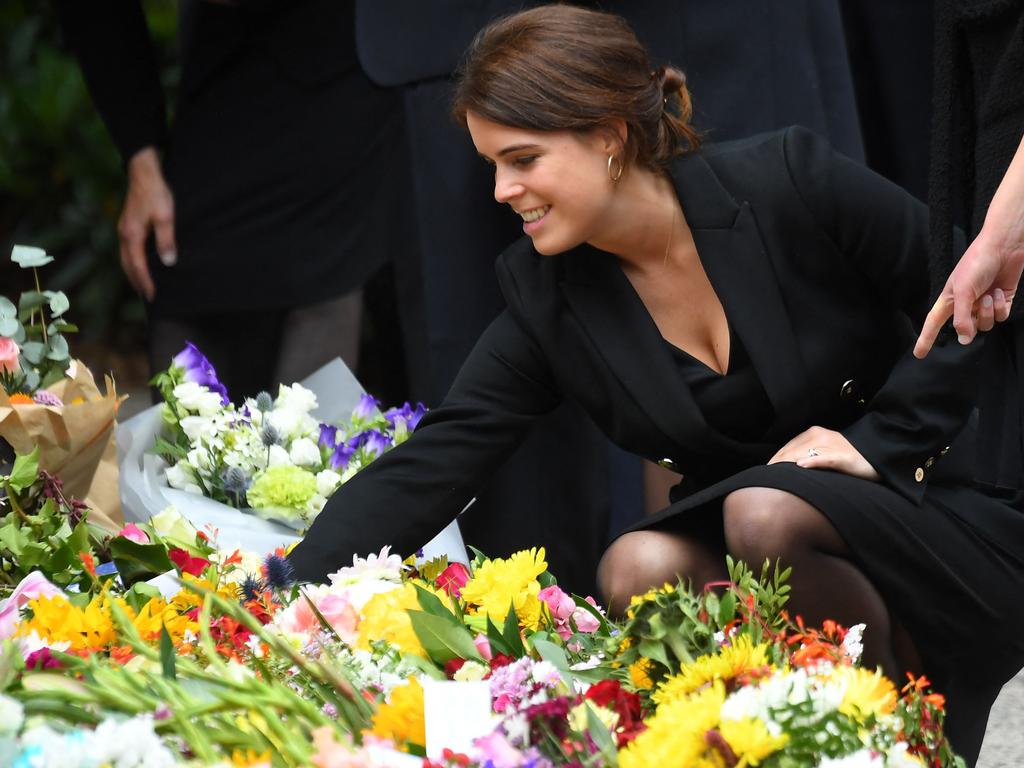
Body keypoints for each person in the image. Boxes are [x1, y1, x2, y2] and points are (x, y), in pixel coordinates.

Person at [289, 7, 1024, 763]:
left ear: (608, 136)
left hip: (939, 505)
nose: (502, 190)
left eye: (523, 159)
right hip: (779, 554)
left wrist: (879, 442)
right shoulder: (552, 299)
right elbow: (442, 453)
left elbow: (971, 295)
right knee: (640, 567)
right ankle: (816, 743)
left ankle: (905, 737)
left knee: (763, 512)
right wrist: (279, 591)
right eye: (492, 166)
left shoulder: (785, 180)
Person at [55, 0, 411, 400]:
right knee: (185, 291)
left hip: (345, 89)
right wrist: (141, 160)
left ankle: (316, 455)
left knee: (317, 372)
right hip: (220, 93)